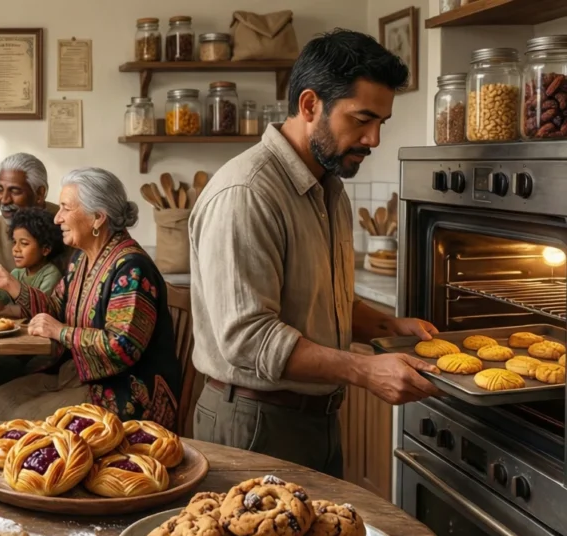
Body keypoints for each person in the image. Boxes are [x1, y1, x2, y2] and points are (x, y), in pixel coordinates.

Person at [188, 29, 439, 477]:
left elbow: (321, 300)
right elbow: (249, 339)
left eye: (382, 122)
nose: (374, 138)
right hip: (254, 422)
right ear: (309, 106)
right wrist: (364, 370)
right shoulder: (248, 192)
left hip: (314, 418)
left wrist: (389, 325)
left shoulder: (328, 188)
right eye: (362, 119)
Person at [0, 168, 182, 425]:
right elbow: (55, 307)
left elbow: (121, 346)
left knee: (18, 416)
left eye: (65, 208)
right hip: (83, 375)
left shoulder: (131, 268)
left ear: (97, 218)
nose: (57, 218)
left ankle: (34, 464)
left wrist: (60, 332)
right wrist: (10, 284)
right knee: (0, 397)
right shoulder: (81, 260)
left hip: (125, 393)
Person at [0, 208, 64, 416]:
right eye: (14, 242)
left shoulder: (51, 274)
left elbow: (38, 309)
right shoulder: (16, 273)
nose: (16, 249)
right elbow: (0, 301)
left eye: (24, 244)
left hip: (38, 352)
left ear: (46, 249)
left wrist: (5, 309)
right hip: (16, 345)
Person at [0, 153, 70, 275]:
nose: (4, 200)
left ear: (40, 194)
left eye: (15, 191)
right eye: (0, 190)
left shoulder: (65, 223)